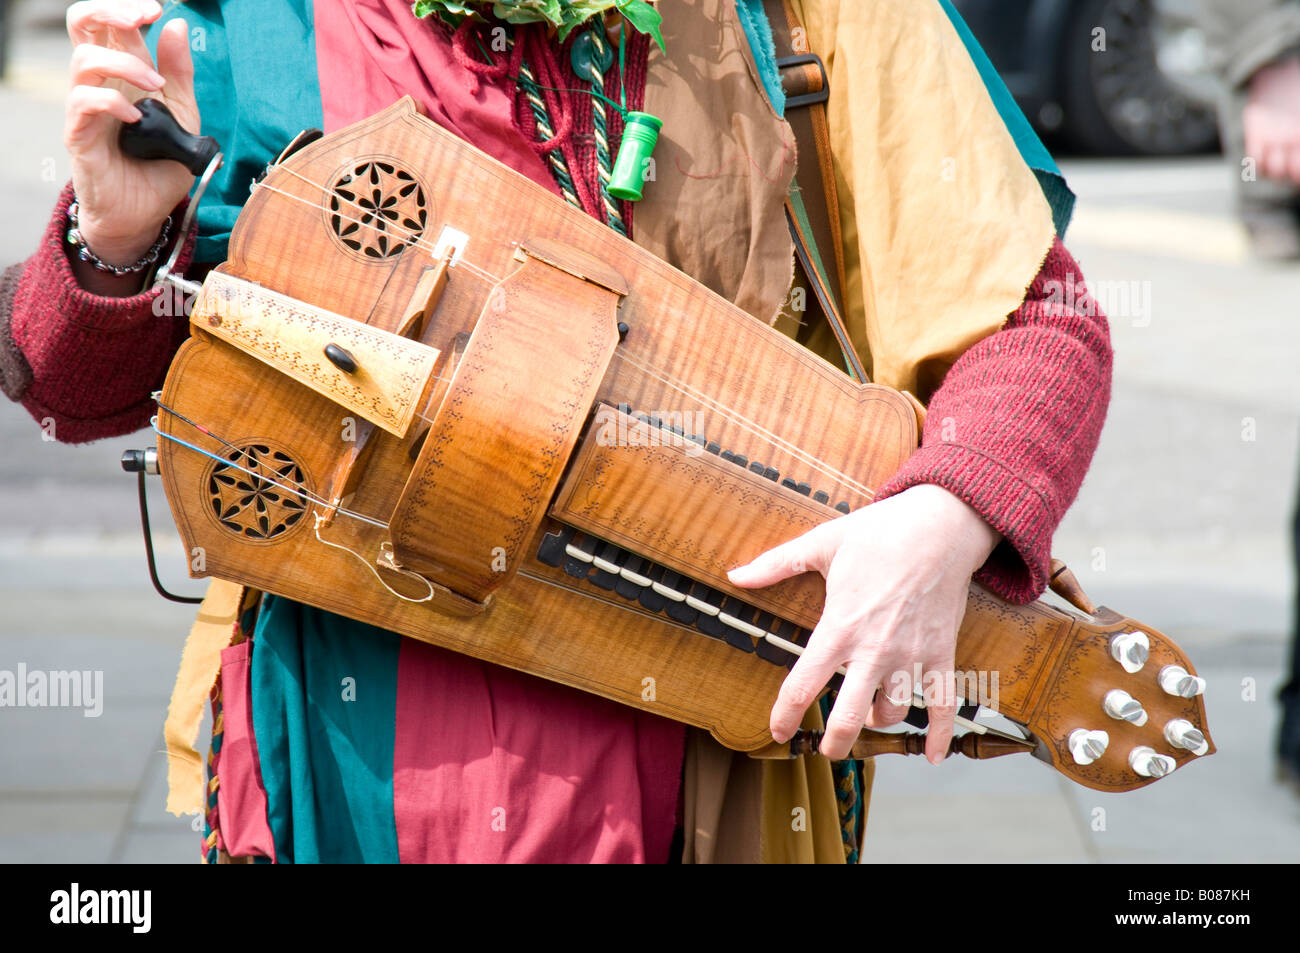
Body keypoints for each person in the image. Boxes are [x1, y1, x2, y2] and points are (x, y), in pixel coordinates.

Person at [0, 0, 1112, 863]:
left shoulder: (802, 17)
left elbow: (1036, 317)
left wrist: (944, 513)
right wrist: (115, 244)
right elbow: (75, 386)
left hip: (713, 755)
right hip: (349, 759)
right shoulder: (269, 21)